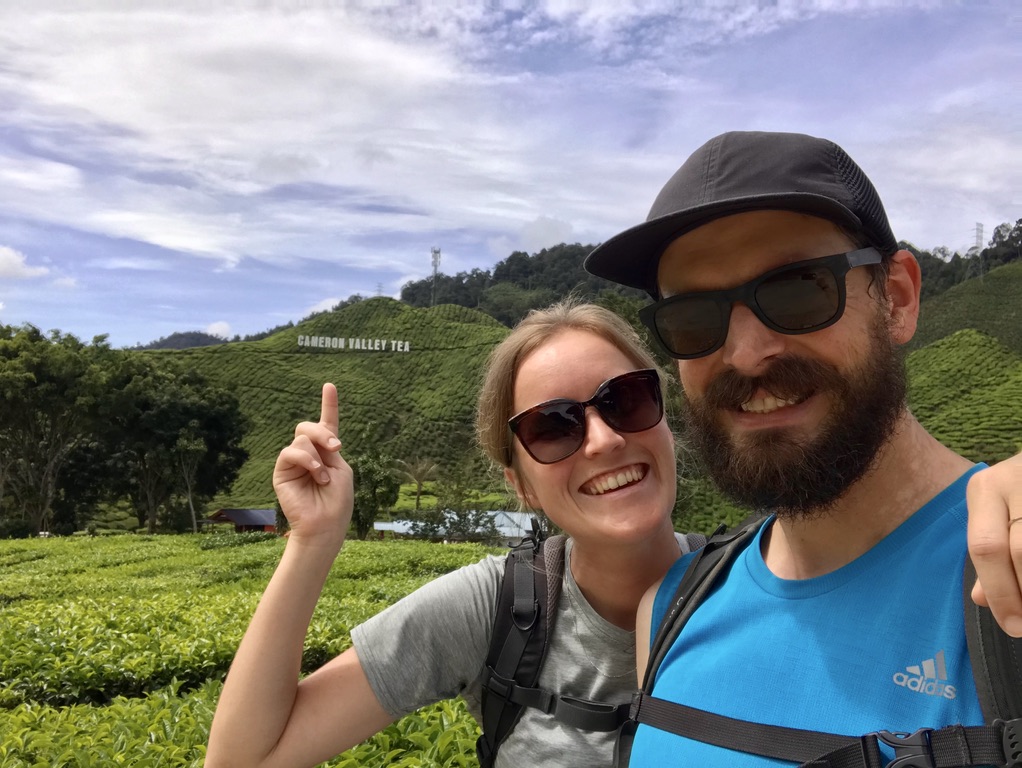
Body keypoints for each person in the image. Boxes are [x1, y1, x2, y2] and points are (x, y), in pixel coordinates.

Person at [582, 129, 1022, 766]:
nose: (746, 354)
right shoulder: (673, 608)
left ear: (896, 299)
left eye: (797, 290)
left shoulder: (1005, 581)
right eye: (693, 317)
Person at [205, 300, 699, 768]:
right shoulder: (496, 606)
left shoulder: (745, 585)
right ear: (522, 485)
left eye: (626, 400)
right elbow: (243, 759)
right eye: (553, 427)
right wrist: (312, 541)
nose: (604, 440)